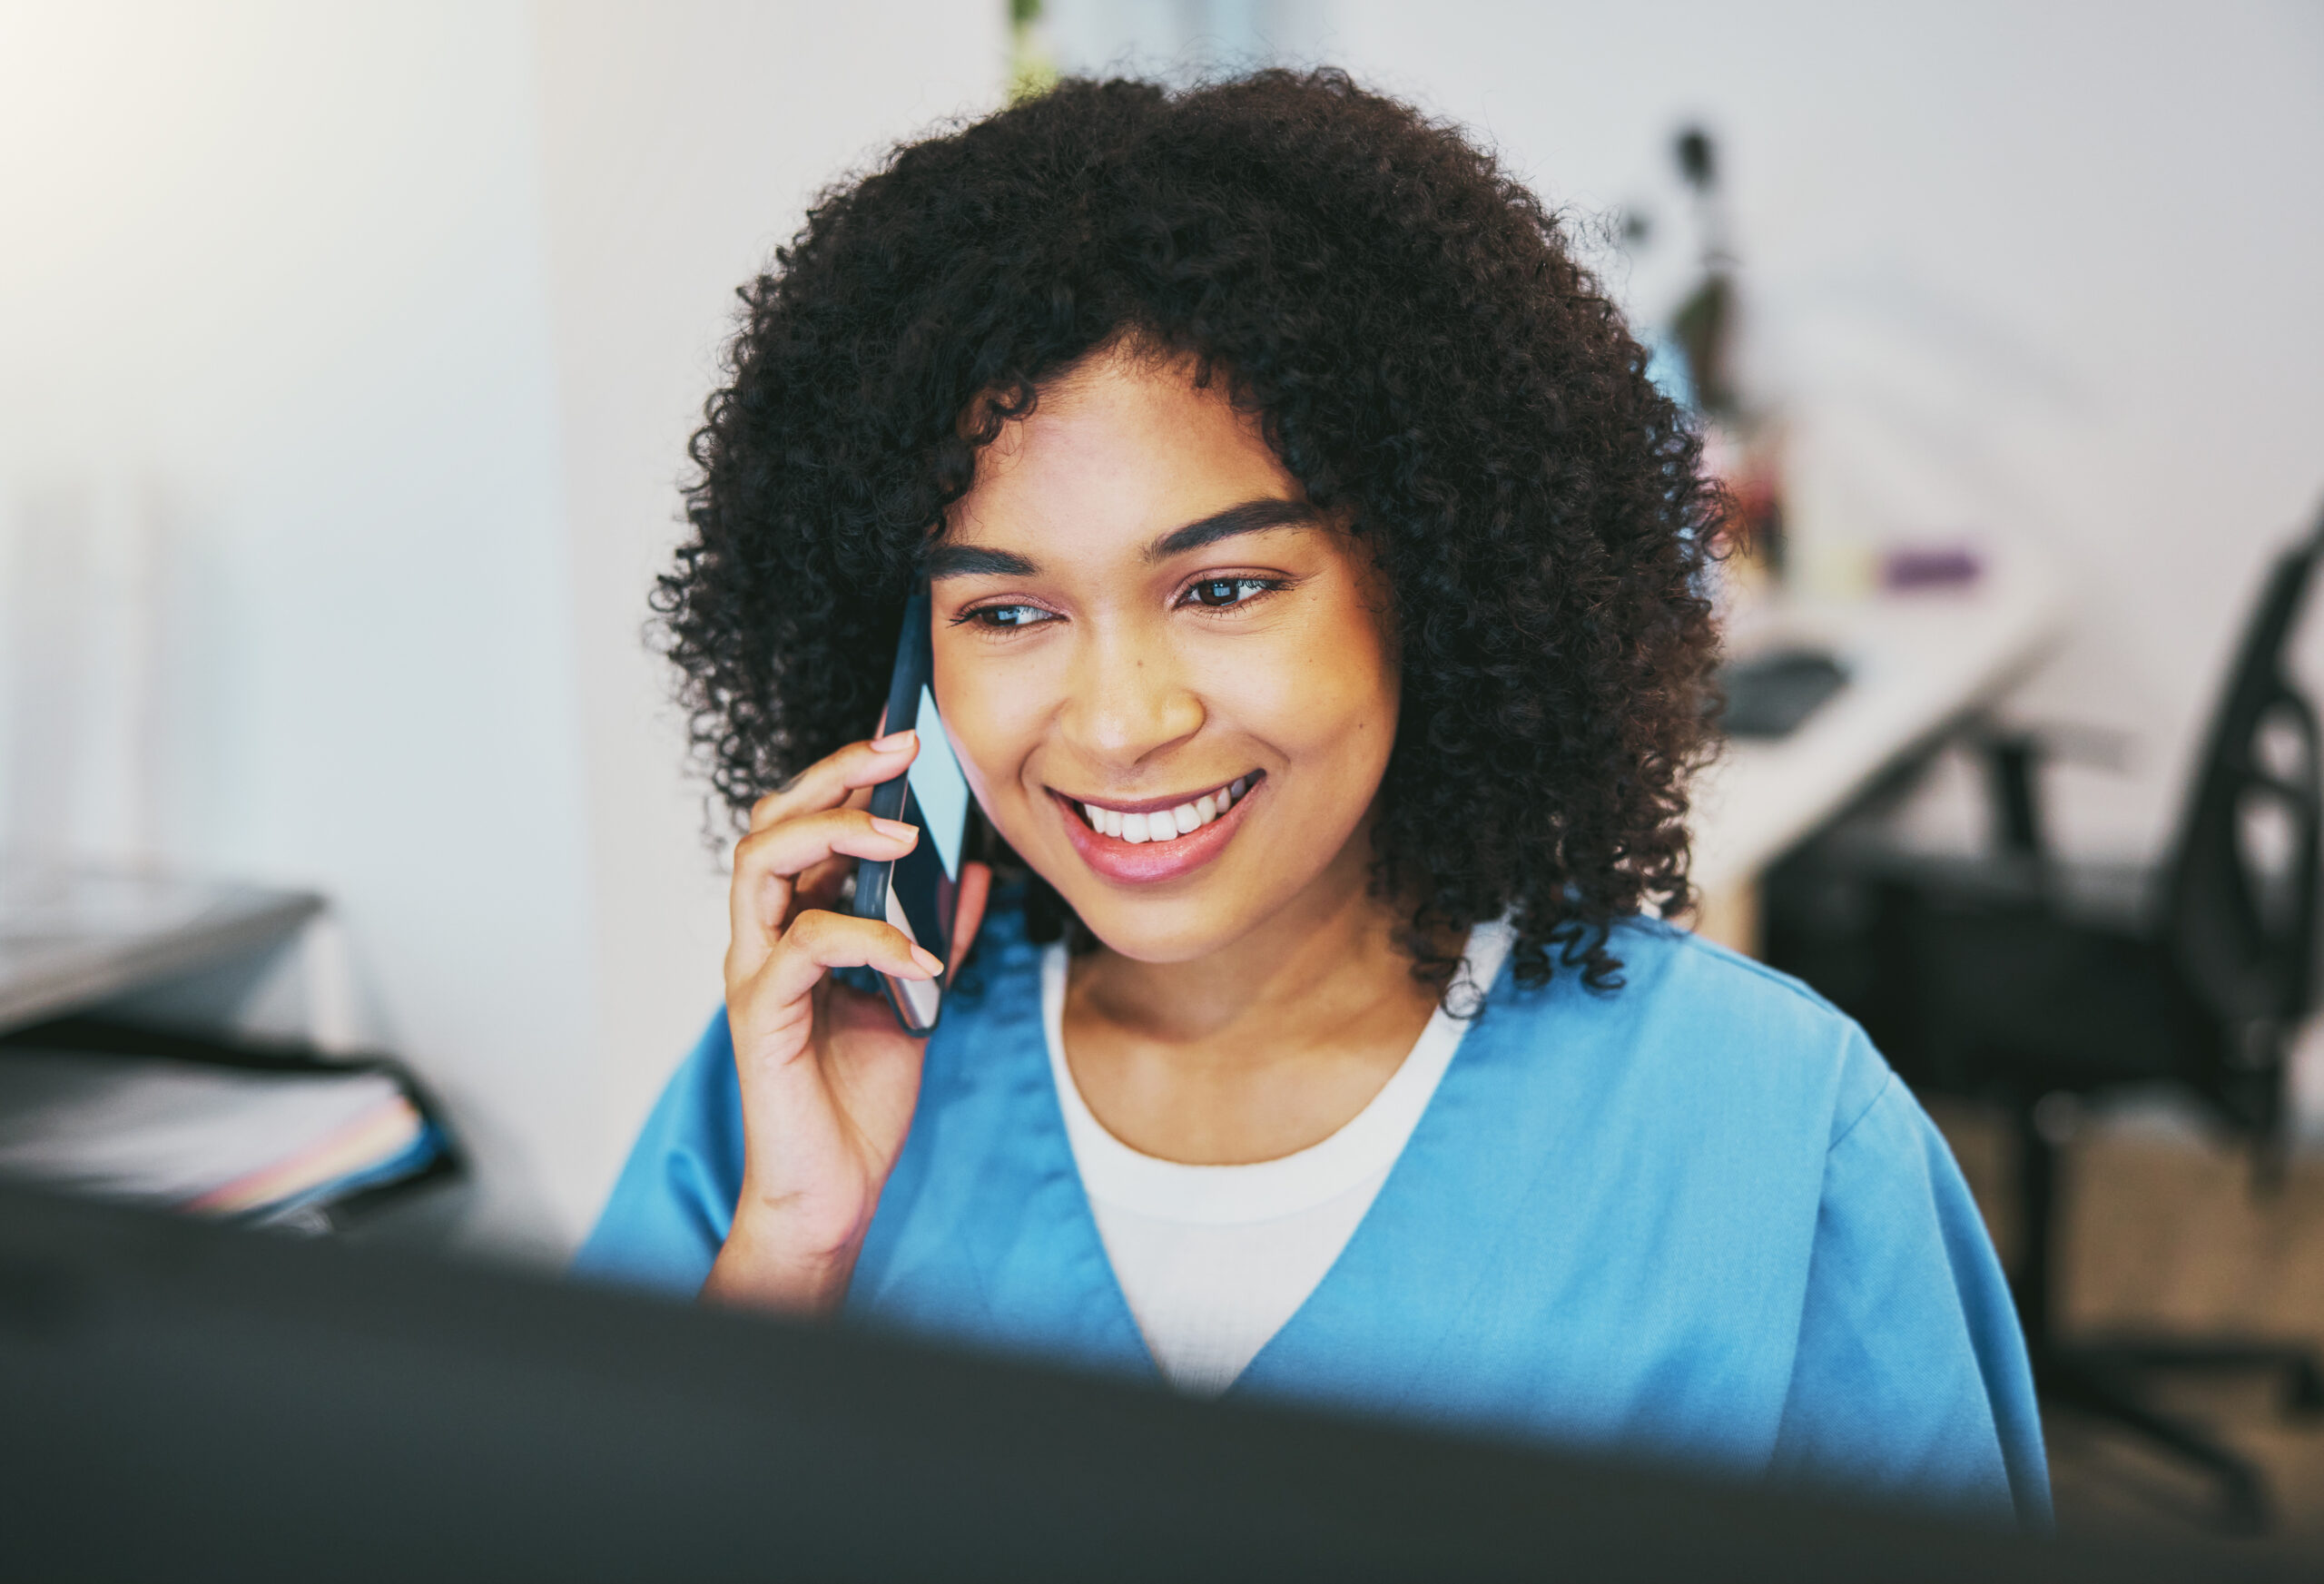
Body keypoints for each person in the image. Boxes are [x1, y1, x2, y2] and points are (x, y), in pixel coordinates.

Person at [574, 71, 2049, 1529]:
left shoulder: (1770, 1134)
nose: (1121, 721)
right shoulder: (796, 1087)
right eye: (1006, 613)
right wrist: (792, 1249)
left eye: (1223, 586)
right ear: (906, 660)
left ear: (1430, 575)